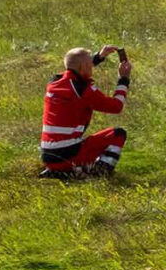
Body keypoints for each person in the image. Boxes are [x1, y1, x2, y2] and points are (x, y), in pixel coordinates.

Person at [37, 45, 130, 180]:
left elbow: (76, 68)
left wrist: (99, 57)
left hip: (48, 156)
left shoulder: (54, 81)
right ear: (85, 66)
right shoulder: (83, 90)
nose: (92, 65)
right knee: (118, 134)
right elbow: (116, 107)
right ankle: (99, 173)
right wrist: (123, 79)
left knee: (74, 144)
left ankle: (60, 171)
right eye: (89, 63)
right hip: (70, 155)